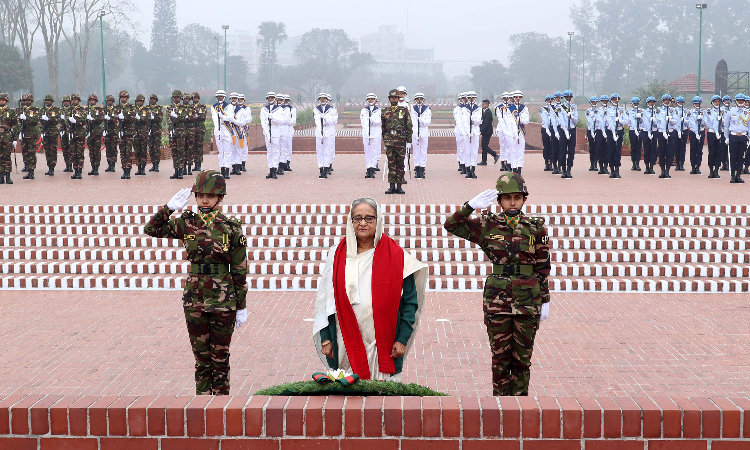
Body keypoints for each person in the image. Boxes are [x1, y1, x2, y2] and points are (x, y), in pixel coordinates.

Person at [444, 172, 550, 396]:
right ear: (499, 200)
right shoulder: (487, 224)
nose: (513, 202)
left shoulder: (535, 227)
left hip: (528, 301)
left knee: (522, 360)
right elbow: (451, 225)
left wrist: (545, 299)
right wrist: (470, 206)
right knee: (500, 358)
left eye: (517, 197)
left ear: (524, 199)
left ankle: (519, 406)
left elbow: (542, 266)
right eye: (507, 197)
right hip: (497, 301)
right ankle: (500, 406)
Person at [144, 170, 248, 395]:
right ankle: (202, 406)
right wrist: (168, 209)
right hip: (195, 299)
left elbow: (240, 270)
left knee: (220, 358)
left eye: (210, 196)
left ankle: (220, 406)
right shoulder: (186, 223)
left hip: (223, 300)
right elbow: (151, 229)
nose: (204, 200)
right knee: (201, 359)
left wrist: (242, 305)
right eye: (200, 195)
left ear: (220, 198)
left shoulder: (231, 227)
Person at [312, 197, 428, 381]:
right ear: (351, 222)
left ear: (378, 220)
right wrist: (326, 338)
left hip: (382, 341)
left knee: (381, 401)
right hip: (344, 339)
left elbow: (409, 302)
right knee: (347, 397)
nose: (363, 223)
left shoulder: (396, 256)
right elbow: (325, 299)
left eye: (369, 218)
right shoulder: (337, 254)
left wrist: (402, 339)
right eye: (357, 218)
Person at [381, 89, 413, 194]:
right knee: (391, 164)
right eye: (392, 97)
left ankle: (399, 186)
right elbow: (383, 128)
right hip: (390, 141)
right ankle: (391, 186)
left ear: (398, 99)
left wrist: (409, 140)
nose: (394, 99)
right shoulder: (385, 111)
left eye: (396, 97)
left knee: (400, 164)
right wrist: (385, 140)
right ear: (389, 99)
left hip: (401, 141)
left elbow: (409, 125)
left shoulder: (404, 110)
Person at [723, 93, 749, 183]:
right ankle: (733, 176)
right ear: (736, 101)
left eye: (742, 100)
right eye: (739, 100)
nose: (741, 102)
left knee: (741, 157)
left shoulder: (747, 112)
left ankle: (739, 175)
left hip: (743, 136)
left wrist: (749, 137)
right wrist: (726, 137)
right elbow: (726, 125)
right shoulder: (731, 112)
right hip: (733, 136)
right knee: (733, 156)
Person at [261, 92, 285, 179]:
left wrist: (273, 117)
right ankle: (270, 169)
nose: (271, 99)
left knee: (275, 151)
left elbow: (281, 121)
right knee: (269, 151)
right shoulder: (264, 109)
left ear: (275, 99)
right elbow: (262, 121)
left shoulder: (279, 109)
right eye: (269, 98)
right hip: (267, 131)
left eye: (272, 98)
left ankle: (275, 169)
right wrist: (266, 131)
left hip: (275, 130)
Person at [165, 90, 188, 180]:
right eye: (174, 97)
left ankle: (181, 171)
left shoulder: (183, 108)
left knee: (180, 152)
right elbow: (168, 118)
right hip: (173, 132)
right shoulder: (170, 108)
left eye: (177, 97)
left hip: (181, 132)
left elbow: (183, 118)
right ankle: (176, 171)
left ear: (180, 98)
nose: (175, 99)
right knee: (174, 152)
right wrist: (171, 126)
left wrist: (176, 116)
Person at [314, 93, 338, 178]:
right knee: (320, 151)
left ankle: (326, 168)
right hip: (320, 131)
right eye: (321, 99)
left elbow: (333, 121)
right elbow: (317, 121)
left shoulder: (332, 109)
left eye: (324, 98)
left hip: (328, 130)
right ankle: (321, 169)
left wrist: (325, 118)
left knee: (327, 151)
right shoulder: (316, 109)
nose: (322, 100)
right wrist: (322, 120)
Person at [114, 90, 137, 179]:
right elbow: (113, 118)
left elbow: (132, 117)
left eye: (125, 97)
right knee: (122, 152)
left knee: (128, 152)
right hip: (120, 133)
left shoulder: (131, 107)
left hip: (128, 133)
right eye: (122, 98)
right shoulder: (117, 108)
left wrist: (124, 118)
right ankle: (124, 170)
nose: (123, 99)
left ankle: (128, 171)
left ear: (127, 98)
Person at [17, 94, 40, 180]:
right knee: (25, 152)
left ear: (31, 101)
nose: (26, 102)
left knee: (31, 153)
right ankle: (27, 167)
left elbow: (35, 120)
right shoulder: (20, 110)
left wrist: (26, 118)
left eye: (28, 100)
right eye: (25, 100)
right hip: (23, 133)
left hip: (31, 134)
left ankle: (31, 171)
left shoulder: (34, 110)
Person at [211, 90, 233, 179]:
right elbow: (214, 119)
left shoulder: (229, 106)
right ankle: (222, 169)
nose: (220, 97)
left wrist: (223, 117)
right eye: (218, 96)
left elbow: (230, 117)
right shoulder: (214, 107)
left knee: (227, 151)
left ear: (224, 97)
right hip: (218, 130)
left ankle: (227, 170)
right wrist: (217, 129)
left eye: (221, 96)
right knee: (221, 152)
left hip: (227, 129)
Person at [557, 90, 578, 179]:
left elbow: (576, 121)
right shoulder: (560, 107)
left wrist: (572, 116)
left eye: (569, 97)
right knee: (562, 151)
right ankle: (564, 169)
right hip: (564, 130)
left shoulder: (574, 107)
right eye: (566, 97)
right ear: (564, 98)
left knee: (571, 151)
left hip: (572, 130)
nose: (568, 99)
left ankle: (569, 169)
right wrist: (565, 131)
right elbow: (561, 120)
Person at [506, 91, 529, 174]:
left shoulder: (524, 108)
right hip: (512, 133)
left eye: (519, 97)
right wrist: (515, 132)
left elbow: (526, 120)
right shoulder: (509, 108)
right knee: (513, 151)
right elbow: (509, 122)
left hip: (521, 132)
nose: (518, 98)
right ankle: (514, 167)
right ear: (513, 98)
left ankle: (519, 168)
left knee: (520, 151)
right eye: (516, 97)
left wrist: (521, 119)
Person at [67, 94, 88, 180]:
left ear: (78, 101)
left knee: (79, 153)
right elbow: (65, 120)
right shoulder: (69, 110)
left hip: (79, 134)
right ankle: (75, 170)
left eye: (75, 100)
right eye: (72, 100)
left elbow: (83, 120)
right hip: (72, 134)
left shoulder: (82, 110)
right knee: (73, 153)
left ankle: (79, 171)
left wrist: (76, 121)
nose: (74, 101)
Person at [360, 93, 382, 179]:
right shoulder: (364, 110)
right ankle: (368, 168)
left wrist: (372, 120)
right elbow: (363, 122)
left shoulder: (379, 110)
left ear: (375, 100)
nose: (370, 101)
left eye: (372, 99)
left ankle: (372, 168)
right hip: (366, 134)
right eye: (369, 99)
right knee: (367, 152)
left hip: (375, 133)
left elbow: (379, 122)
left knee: (374, 152)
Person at [411, 93, 432, 177]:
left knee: (423, 151)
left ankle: (422, 169)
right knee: (416, 151)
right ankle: (417, 168)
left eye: (420, 99)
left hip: (424, 132)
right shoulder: (412, 109)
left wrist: (422, 121)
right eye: (417, 99)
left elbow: (428, 121)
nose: (419, 100)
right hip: (415, 132)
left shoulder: (427, 109)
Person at [605, 93, 625, 179]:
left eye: (617, 99)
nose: (615, 101)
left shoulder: (622, 110)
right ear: (611, 101)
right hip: (610, 131)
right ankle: (612, 169)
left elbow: (625, 121)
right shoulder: (608, 110)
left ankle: (617, 170)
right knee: (610, 150)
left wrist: (620, 120)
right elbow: (608, 121)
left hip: (619, 130)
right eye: (614, 99)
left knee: (617, 151)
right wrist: (613, 132)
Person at [40, 95, 61, 176]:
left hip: (53, 133)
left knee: (53, 151)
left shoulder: (56, 110)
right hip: (45, 132)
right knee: (47, 151)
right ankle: (49, 166)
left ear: (52, 101)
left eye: (49, 100)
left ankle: (52, 167)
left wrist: (49, 119)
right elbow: (39, 120)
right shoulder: (42, 110)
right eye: (46, 100)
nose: (47, 102)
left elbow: (57, 119)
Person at [462, 91, 482, 179]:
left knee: (474, 151)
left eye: (472, 98)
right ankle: (467, 170)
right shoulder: (464, 109)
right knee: (467, 151)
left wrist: (473, 119)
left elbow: (479, 121)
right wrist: (466, 131)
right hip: (467, 132)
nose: (471, 99)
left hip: (475, 131)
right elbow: (463, 121)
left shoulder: (478, 109)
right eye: (469, 98)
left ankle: (473, 169)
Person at [656, 94, 675, 179]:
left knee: (669, 152)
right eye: (665, 100)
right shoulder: (659, 110)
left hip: (670, 133)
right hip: (661, 134)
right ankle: (662, 170)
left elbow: (676, 122)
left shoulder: (673, 111)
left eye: (668, 100)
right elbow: (658, 122)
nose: (667, 101)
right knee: (661, 152)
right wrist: (664, 131)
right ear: (663, 101)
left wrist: (670, 119)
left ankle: (667, 170)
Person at [0, 93, 17, 184]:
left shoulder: (11, 112)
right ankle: (1, 177)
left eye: (3, 100)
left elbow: (15, 125)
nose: (1, 101)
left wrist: (15, 138)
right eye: (0, 100)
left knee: (6, 156)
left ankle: (8, 177)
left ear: (6, 101)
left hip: (7, 136)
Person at [86, 94, 105, 176]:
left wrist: (93, 119)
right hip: (89, 132)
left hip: (97, 132)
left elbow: (101, 119)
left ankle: (96, 168)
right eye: (90, 100)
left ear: (96, 101)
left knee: (96, 151)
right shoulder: (86, 110)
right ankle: (92, 167)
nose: (91, 102)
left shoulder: (99, 110)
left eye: (93, 100)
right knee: (91, 151)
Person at [686, 96, 706, 175]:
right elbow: (690, 123)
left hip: (701, 131)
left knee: (699, 150)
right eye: (695, 103)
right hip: (693, 132)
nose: (697, 105)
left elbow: (705, 123)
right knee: (693, 149)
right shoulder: (690, 112)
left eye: (698, 103)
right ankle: (693, 166)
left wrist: (701, 119)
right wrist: (696, 132)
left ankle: (698, 166)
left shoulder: (703, 112)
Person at [704, 95, 723, 179]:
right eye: (716, 101)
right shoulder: (709, 111)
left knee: (718, 152)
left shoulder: (723, 111)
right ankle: (711, 170)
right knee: (711, 152)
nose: (717, 103)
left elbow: (725, 124)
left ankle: (716, 170)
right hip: (712, 133)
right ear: (712, 102)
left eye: (718, 102)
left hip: (720, 133)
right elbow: (706, 123)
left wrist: (721, 119)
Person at [496, 93, 514, 172]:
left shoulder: (511, 107)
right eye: (505, 98)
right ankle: (502, 163)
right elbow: (500, 119)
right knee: (502, 146)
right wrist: (505, 129)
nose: (506, 99)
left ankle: (508, 163)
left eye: (507, 98)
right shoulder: (499, 107)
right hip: (501, 129)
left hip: (509, 129)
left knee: (509, 146)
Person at [133, 94, 150, 176]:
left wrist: (140, 118)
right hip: (136, 133)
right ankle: (138, 167)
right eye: (138, 101)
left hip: (143, 133)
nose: (139, 102)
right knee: (137, 151)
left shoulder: (146, 110)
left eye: (140, 101)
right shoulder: (134, 109)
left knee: (143, 151)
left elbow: (147, 119)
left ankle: (143, 168)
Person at [640, 97, 659, 175]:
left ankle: (652, 166)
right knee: (646, 149)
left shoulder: (657, 112)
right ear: (647, 103)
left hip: (654, 131)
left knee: (653, 149)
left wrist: (654, 121)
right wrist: (648, 132)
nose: (652, 103)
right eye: (650, 102)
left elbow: (659, 122)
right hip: (645, 132)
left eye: (653, 102)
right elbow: (645, 122)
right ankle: (647, 166)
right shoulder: (644, 112)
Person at [478, 99, 498, 167]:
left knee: (484, 146)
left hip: (487, 131)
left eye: (483, 104)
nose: (482, 105)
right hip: (485, 131)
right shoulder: (484, 112)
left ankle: (494, 154)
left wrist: (481, 130)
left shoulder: (488, 112)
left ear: (487, 104)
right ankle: (484, 160)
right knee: (484, 146)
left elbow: (486, 123)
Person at [148, 94, 164, 173]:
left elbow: (160, 118)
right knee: (151, 148)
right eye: (151, 99)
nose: (152, 100)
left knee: (156, 148)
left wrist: (154, 117)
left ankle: (157, 164)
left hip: (156, 130)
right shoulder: (147, 108)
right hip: (149, 130)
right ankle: (153, 164)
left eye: (153, 99)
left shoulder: (159, 108)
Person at [192, 92, 207, 173]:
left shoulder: (202, 107)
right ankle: (195, 164)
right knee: (194, 147)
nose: (195, 99)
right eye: (193, 98)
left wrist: (196, 116)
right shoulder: (190, 107)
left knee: (199, 147)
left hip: (200, 129)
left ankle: (199, 164)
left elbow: (203, 117)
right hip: (192, 129)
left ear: (198, 98)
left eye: (196, 98)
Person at [103, 95, 119, 172]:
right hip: (107, 131)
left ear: (113, 102)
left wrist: (110, 118)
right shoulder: (104, 110)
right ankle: (109, 164)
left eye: (110, 101)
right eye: (108, 101)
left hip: (114, 131)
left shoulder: (116, 110)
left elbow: (116, 119)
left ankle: (113, 164)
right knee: (108, 149)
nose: (109, 102)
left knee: (113, 148)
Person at [673, 96, 689, 171]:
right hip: (676, 131)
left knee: (683, 148)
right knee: (677, 147)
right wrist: (678, 130)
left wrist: (685, 120)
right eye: (679, 102)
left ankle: (681, 163)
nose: (680, 103)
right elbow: (674, 122)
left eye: (682, 102)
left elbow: (689, 122)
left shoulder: (686, 111)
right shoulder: (673, 111)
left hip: (684, 130)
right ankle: (677, 163)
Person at [540, 95, 555, 171]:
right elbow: (545, 119)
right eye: (548, 100)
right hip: (545, 128)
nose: (550, 102)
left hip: (552, 128)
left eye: (551, 100)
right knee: (546, 147)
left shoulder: (555, 108)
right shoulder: (543, 109)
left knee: (552, 146)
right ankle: (547, 163)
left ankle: (552, 162)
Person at [627, 97, 642, 171]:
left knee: (638, 147)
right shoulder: (630, 111)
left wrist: (640, 117)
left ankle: (638, 163)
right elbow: (631, 120)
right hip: (632, 130)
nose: (635, 104)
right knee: (633, 147)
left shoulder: (641, 111)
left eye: (637, 103)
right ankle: (633, 163)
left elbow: (644, 121)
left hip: (639, 130)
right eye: (634, 103)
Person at [281, 94, 296, 172]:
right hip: (281, 129)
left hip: (289, 129)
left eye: (287, 100)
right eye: (284, 100)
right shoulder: (279, 108)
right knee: (281, 147)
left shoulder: (292, 109)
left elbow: (293, 121)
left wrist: (285, 121)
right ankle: (282, 163)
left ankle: (287, 162)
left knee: (288, 147)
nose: (285, 101)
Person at [584, 96, 599, 171]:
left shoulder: (599, 110)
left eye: (595, 102)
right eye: (593, 102)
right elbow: (589, 120)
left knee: (597, 147)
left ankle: (596, 163)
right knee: (591, 147)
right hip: (590, 130)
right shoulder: (588, 111)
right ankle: (592, 164)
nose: (594, 103)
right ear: (590, 103)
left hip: (597, 130)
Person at [597, 94, 610, 174]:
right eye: (603, 101)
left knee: (607, 149)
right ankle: (601, 167)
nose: (604, 102)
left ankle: (606, 167)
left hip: (608, 130)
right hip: (599, 131)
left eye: (605, 101)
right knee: (600, 149)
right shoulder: (597, 110)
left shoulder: (610, 110)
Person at [454, 93, 467, 174]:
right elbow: (458, 121)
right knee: (460, 148)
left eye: (464, 98)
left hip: (467, 131)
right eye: (462, 98)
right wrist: (463, 130)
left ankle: (465, 163)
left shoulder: (468, 108)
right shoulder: (457, 109)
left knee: (466, 148)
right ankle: (461, 163)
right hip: (459, 131)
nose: (463, 100)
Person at [60, 95, 73, 173]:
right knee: (64, 149)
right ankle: (67, 164)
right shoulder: (61, 111)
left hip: (70, 131)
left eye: (67, 101)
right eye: (65, 102)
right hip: (63, 132)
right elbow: (58, 121)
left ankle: (71, 165)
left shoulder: (72, 110)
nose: (66, 103)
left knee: (70, 148)